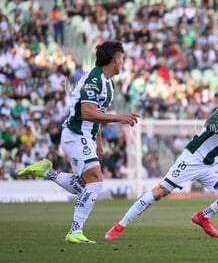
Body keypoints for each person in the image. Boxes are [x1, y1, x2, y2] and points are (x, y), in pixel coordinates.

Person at [104, 86, 218, 240]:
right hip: (193, 157)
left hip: (212, 165)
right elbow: (211, 123)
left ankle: (203, 216)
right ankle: (120, 225)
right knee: (160, 192)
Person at [18, 41, 140, 244]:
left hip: (87, 137)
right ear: (115, 59)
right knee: (96, 182)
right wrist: (119, 118)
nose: (123, 63)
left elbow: (97, 113)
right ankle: (75, 231)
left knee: (84, 186)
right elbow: (87, 112)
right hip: (75, 135)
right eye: (123, 59)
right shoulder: (95, 78)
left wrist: (98, 140)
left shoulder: (109, 82)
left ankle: (45, 171)